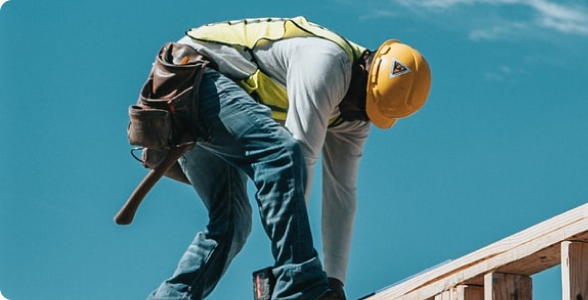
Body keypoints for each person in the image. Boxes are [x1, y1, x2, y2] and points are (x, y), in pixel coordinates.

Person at [145, 17, 431, 300]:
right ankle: (298, 284)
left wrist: (335, 283)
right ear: (363, 70)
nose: (356, 116)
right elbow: (296, 159)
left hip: (203, 100)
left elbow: (341, 195)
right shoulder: (327, 62)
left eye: (368, 113)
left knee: (232, 224)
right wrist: (295, 274)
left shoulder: (355, 116)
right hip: (186, 79)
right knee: (282, 153)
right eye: (360, 104)